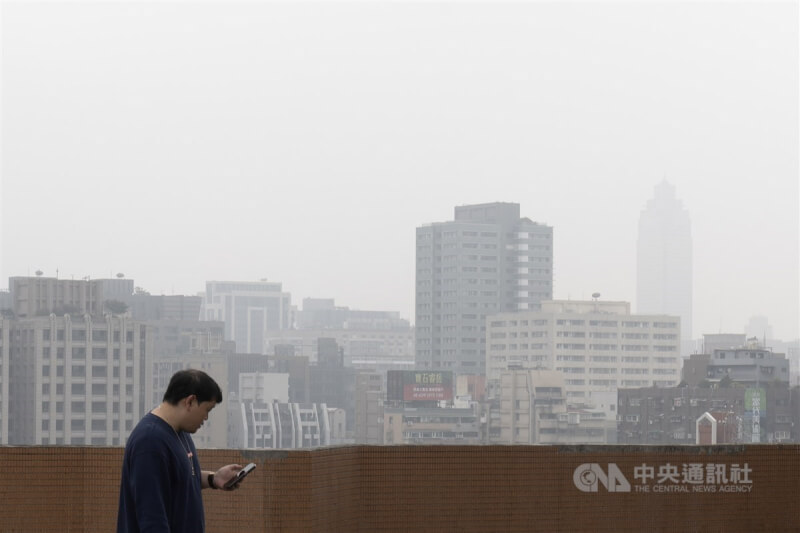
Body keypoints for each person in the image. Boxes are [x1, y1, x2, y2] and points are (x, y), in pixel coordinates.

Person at [117, 369, 244, 532]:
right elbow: (151, 517)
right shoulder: (149, 442)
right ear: (190, 401)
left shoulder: (179, 432)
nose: (205, 418)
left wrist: (214, 479)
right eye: (207, 410)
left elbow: (179, 478)